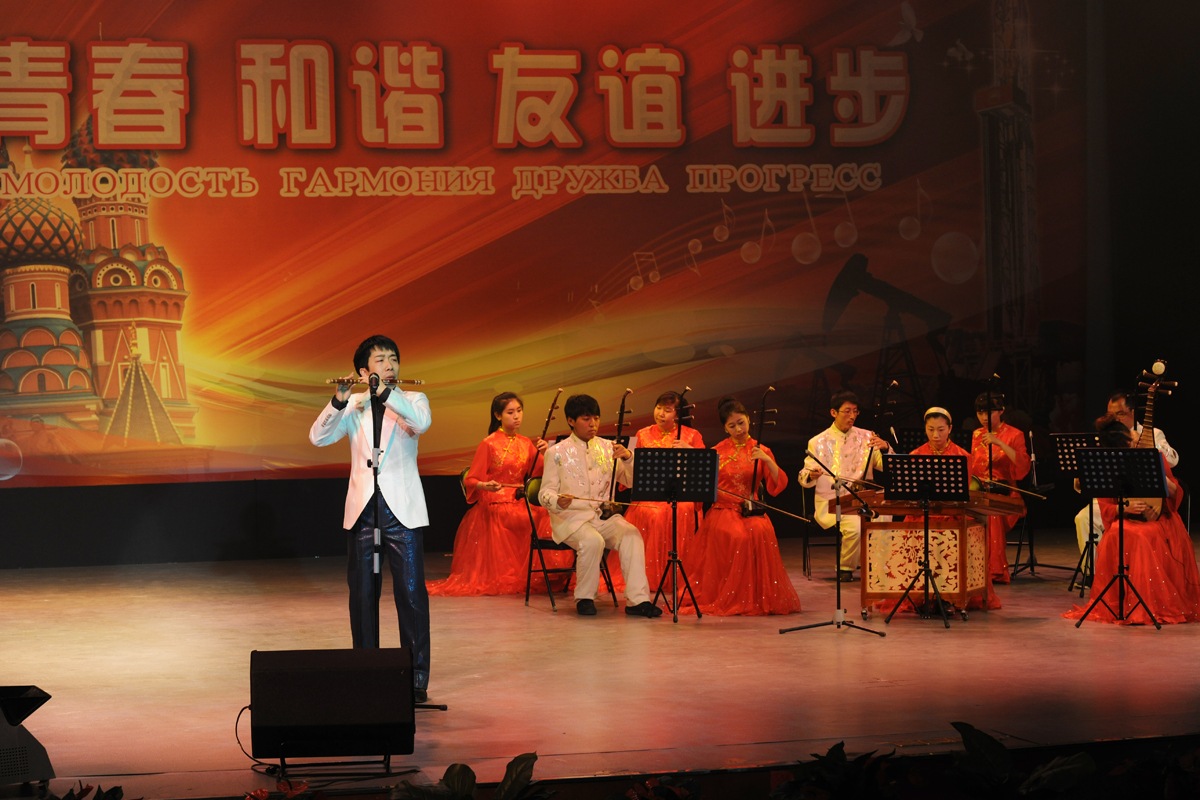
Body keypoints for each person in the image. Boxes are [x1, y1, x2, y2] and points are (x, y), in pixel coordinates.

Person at [309, 335, 433, 702]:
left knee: (411, 595)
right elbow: (318, 438)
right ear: (364, 372)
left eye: (394, 359)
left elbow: (421, 423)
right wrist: (338, 401)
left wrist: (386, 393)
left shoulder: (413, 399)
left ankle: (415, 679)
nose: (390, 365)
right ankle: (365, 671)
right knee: (362, 596)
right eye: (380, 360)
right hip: (364, 510)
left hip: (402, 513)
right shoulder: (354, 405)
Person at [428, 393, 571, 596]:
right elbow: (471, 479)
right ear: (498, 415)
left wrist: (546, 452)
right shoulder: (489, 443)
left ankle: (544, 574)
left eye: (519, 411)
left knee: (545, 515)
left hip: (520, 499)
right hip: (495, 501)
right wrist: (485, 486)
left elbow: (541, 473)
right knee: (509, 516)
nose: (516, 416)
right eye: (510, 412)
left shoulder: (526, 443)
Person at [1064, 417, 1200, 625]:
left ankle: (1148, 603)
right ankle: (1121, 602)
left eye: (1128, 444)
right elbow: (1106, 506)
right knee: (1114, 534)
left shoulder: (1154, 456)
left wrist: (1161, 481)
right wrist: (1123, 508)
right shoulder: (1106, 464)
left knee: (1143, 535)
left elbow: (1177, 493)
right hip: (1125, 518)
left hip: (1159, 519)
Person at [538, 394, 661, 617]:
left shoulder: (608, 448)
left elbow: (630, 481)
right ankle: (585, 598)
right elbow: (544, 493)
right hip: (570, 518)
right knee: (592, 541)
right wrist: (557, 501)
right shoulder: (556, 453)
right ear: (571, 421)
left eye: (596, 418)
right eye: (586, 419)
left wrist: (628, 458)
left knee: (631, 535)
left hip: (602, 517)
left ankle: (638, 600)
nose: (593, 424)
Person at [687, 397, 801, 616]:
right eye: (732, 426)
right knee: (738, 536)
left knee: (760, 529)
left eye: (741, 423)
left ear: (749, 419)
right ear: (725, 428)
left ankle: (756, 596)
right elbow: (703, 487)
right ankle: (732, 595)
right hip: (723, 510)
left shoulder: (761, 449)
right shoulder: (717, 451)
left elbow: (777, 485)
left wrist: (767, 460)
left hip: (751, 510)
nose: (738, 429)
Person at [880, 407, 1000, 613]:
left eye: (941, 430)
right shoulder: (916, 454)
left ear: (950, 429)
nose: (936, 435)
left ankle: (948, 597)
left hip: (952, 515)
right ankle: (922, 596)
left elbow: (964, 494)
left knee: (951, 538)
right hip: (922, 514)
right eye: (931, 429)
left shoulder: (962, 456)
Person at [799, 391, 892, 581]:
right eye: (847, 411)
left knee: (884, 517)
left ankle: (878, 566)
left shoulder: (867, 436)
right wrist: (811, 475)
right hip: (834, 502)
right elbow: (804, 474)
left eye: (855, 411)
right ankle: (845, 567)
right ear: (834, 412)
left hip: (862, 499)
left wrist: (886, 448)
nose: (852, 416)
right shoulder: (818, 441)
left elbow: (886, 466)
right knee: (855, 527)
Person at [1073, 391, 1179, 556]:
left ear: (1132, 412)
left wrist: (1147, 444)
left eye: (1120, 414)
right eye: (1111, 415)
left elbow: (1173, 459)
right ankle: (1094, 569)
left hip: (1144, 498)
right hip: (1111, 499)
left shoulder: (1152, 433)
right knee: (1083, 518)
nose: (1115, 419)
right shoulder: (1108, 436)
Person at [622, 391, 705, 591]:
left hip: (681, 495)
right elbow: (634, 469)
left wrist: (690, 451)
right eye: (658, 408)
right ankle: (649, 575)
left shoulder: (691, 435)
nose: (660, 413)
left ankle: (676, 574)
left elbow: (704, 468)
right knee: (653, 513)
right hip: (651, 494)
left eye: (667, 410)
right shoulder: (643, 433)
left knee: (680, 510)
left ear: (678, 414)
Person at [969, 392, 1029, 584]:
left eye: (989, 412)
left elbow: (1023, 466)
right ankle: (971, 567)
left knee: (991, 513)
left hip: (1007, 495)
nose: (984, 417)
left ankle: (995, 570)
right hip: (981, 493)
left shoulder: (1015, 434)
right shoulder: (976, 434)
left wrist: (999, 442)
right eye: (980, 413)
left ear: (1001, 411)